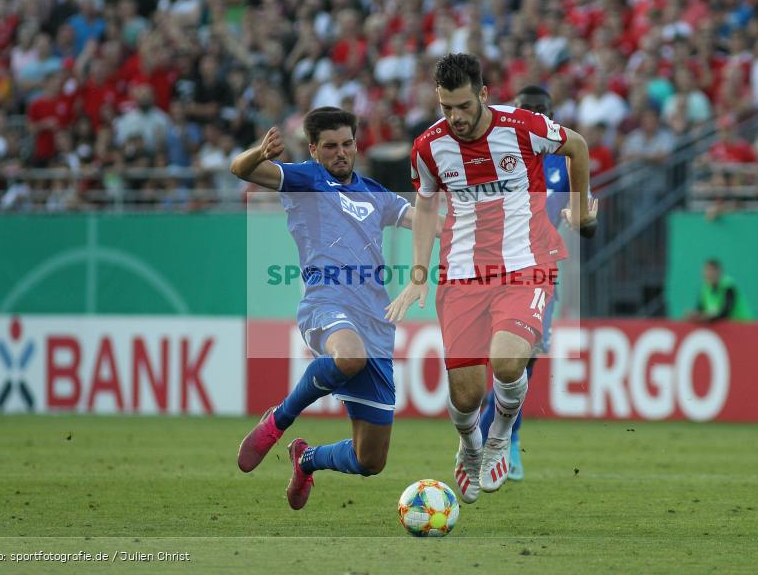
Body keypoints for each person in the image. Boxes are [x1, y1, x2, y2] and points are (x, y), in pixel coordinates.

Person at [386, 54, 597, 502]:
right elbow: (425, 205)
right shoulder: (428, 147)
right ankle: (469, 445)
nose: (455, 117)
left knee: (507, 362)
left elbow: (577, 145)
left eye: (463, 105)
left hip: (526, 265)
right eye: (446, 108)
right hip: (461, 275)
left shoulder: (523, 128)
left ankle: (500, 435)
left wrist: (580, 207)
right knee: (465, 395)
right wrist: (419, 273)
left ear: (483, 94)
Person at [230, 107, 425, 510]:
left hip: (377, 322)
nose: (341, 153)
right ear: (314, 149)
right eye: (331, 146)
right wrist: (259, 153)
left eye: (347, 144)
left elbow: (424, 221)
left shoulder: (375, 193)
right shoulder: (305, 179)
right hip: (326, 303)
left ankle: (307, 459)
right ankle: (278, 420)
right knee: (349, 356)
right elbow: (240, 169)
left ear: (356, 145)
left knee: (369, 460)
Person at [476, 85, 592, 482]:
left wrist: (583, 218)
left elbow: (582, 219)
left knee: (525, 359)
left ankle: (505, 439)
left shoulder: (564, 159)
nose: (534, 116)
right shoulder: (497, 154)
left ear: (552, 114)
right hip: (494, 267)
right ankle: (486, 433)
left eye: (541, 110)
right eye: (526, 109)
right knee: (498, 359)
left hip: (540, 271)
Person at [686, 259, 752, 323]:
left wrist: (706, 317)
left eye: (711, 271)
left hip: (743, 326)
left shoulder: (728, 286)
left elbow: (725, 312)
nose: (708, 274)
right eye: (706, 271)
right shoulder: (705, 289)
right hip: (724, 330)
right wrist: (695, 315)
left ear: (719, 272)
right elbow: (700, 309)